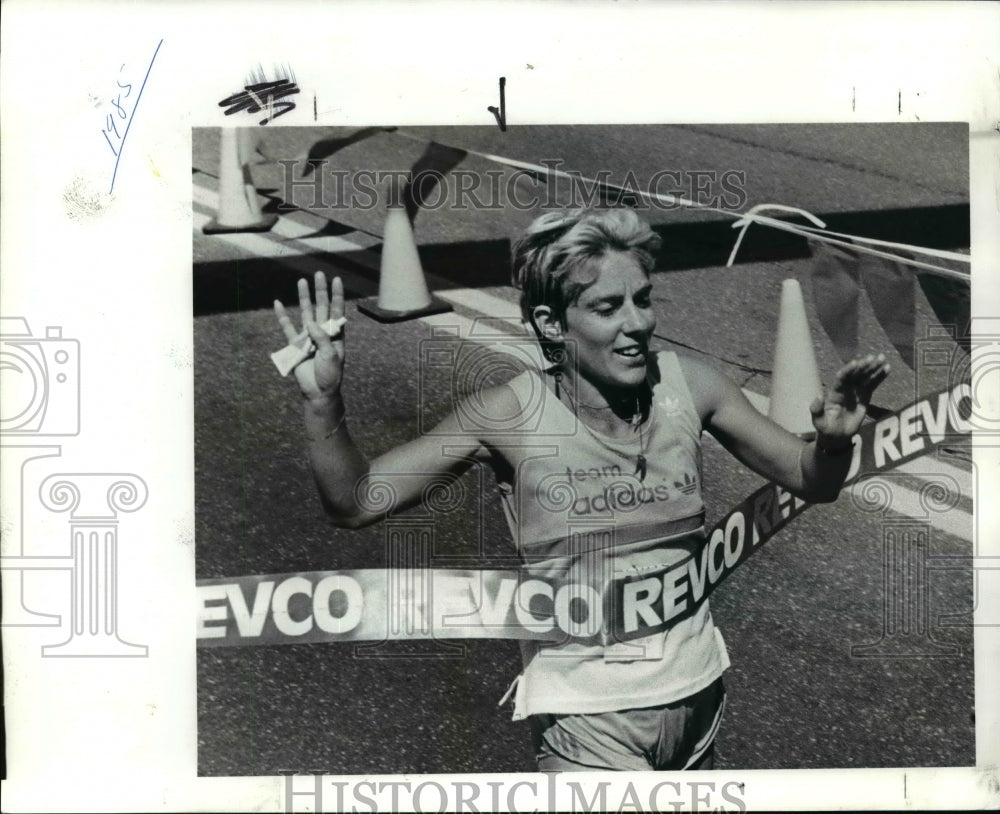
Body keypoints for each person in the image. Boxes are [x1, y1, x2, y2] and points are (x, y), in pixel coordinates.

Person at [273, 208, 890, 771]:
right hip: (588, 722)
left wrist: (833, 441)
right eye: (606, 307)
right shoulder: (507, 415)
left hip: (698, 699)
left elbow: (811, 480)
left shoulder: (691, 386)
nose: (637, 325)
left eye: (642, 300)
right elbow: (355, 502)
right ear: (551, 322)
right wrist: (324, 403)